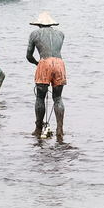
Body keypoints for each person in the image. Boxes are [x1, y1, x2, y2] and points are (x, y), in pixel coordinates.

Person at [26, 11, 66, 140]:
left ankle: (38, 128)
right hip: (59, 64)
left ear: (39, 24)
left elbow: (29, 56)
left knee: (40, 97)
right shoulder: (60, 34)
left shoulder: (34, 34)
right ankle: (59, 129)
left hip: (44, 64)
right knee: (58, 98)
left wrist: (37, 63)